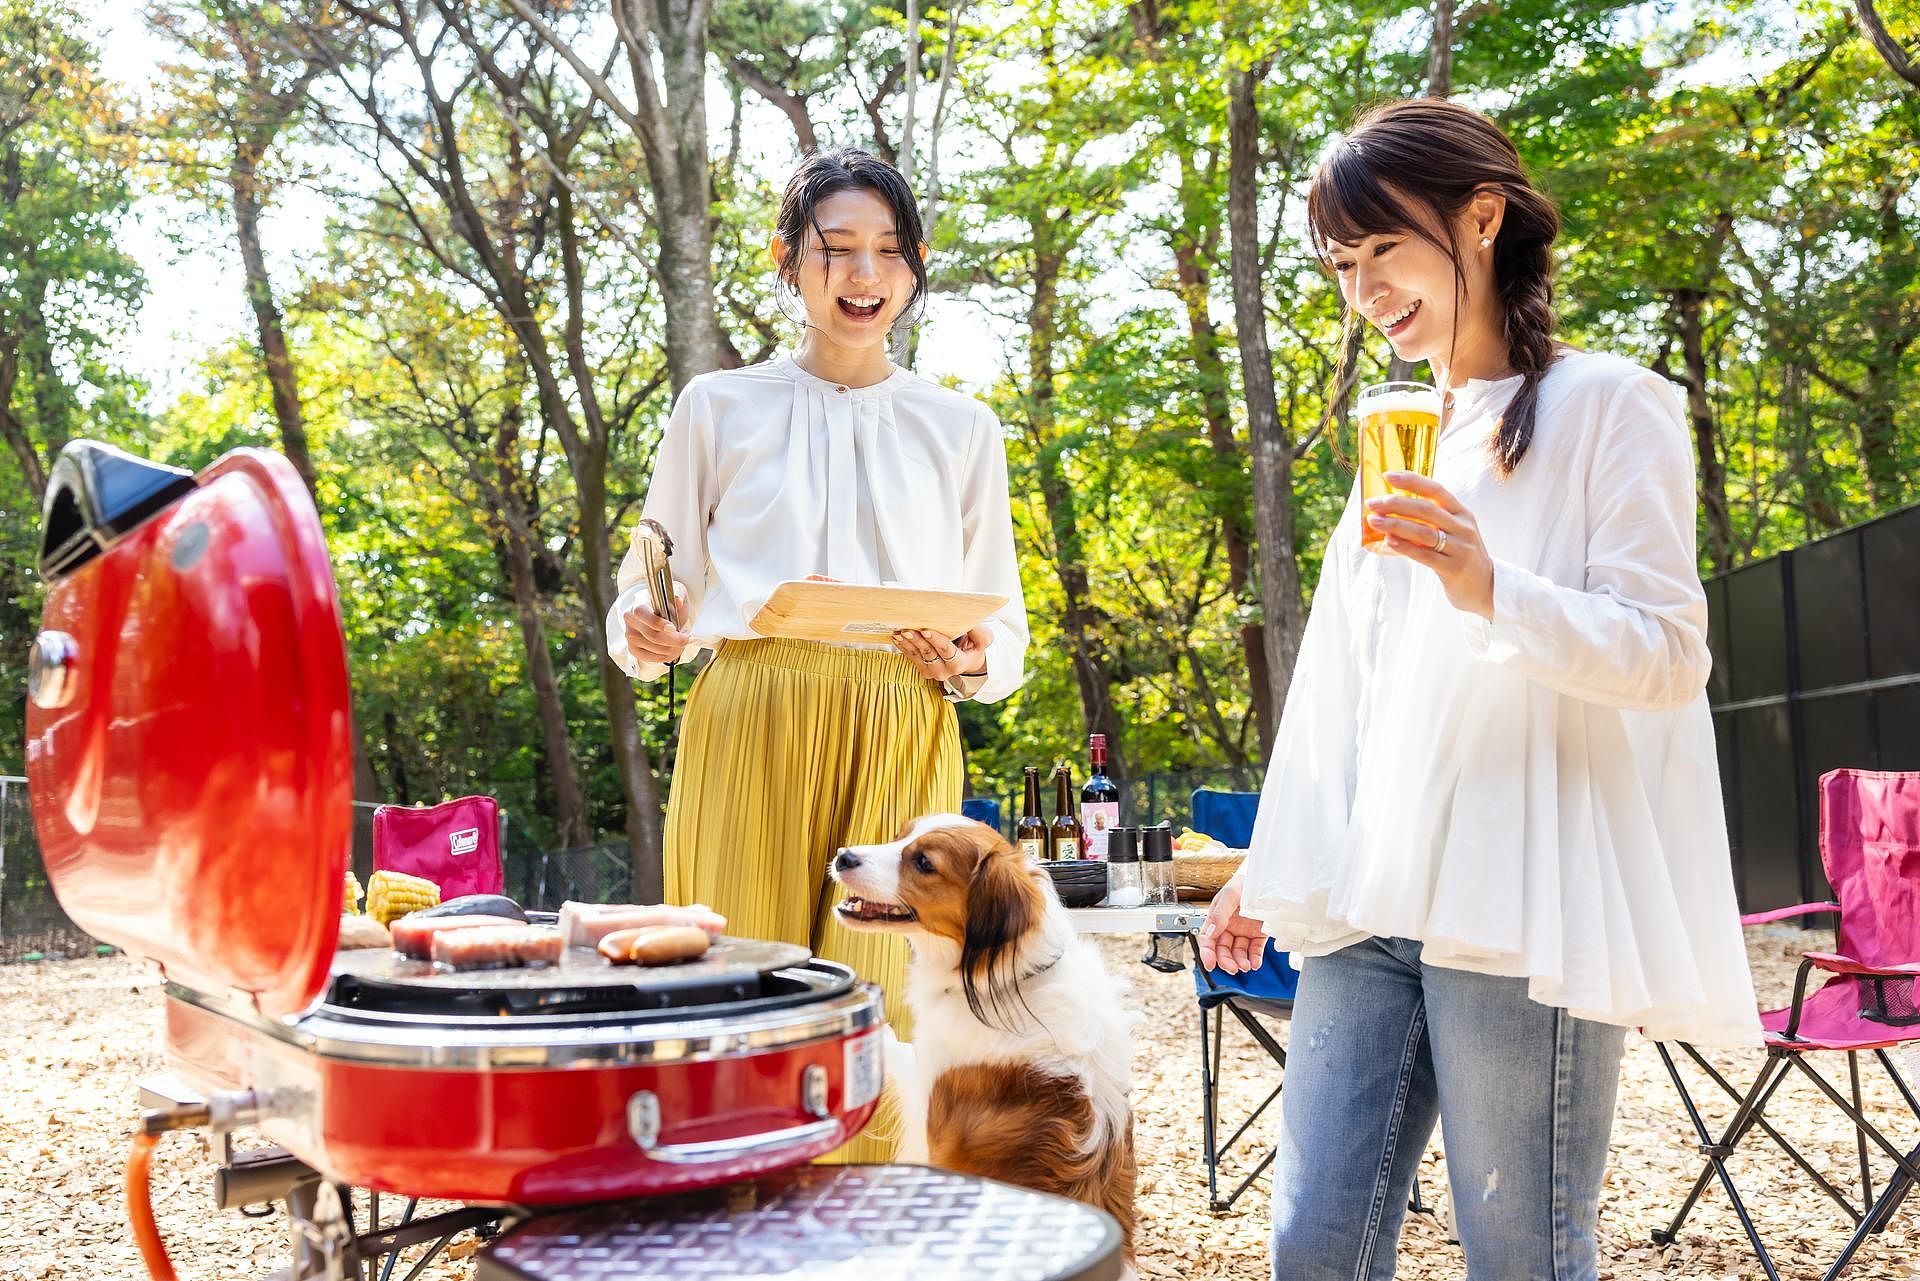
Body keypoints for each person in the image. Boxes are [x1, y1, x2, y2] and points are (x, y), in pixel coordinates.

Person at [1198, 98, 1761, 1281]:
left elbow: (1667, 653)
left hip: (1519, 894)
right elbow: (1352, 682)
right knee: (1312, 1241)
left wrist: (1486, 584)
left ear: (1483, 215)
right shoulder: (1397, 437)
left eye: (1383, 249)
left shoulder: (1613, 406)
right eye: (1341, 265)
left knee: (1520, 1249)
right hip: (1366, 898)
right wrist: (1269, 861)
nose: (1363, 289)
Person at [606, 147, 1029, 1162]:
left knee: (883, 1007)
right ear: (788, 261)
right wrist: (646, 628)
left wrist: (963, 662)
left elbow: (1003, 633)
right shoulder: (717, 406)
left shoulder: (961, 427)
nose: (862, 275)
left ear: (918, 265)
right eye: (835, 250)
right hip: (748, 708)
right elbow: (649, 581)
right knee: (739, 993)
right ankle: (732, 1235)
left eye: (887, 251)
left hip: (900, 716)